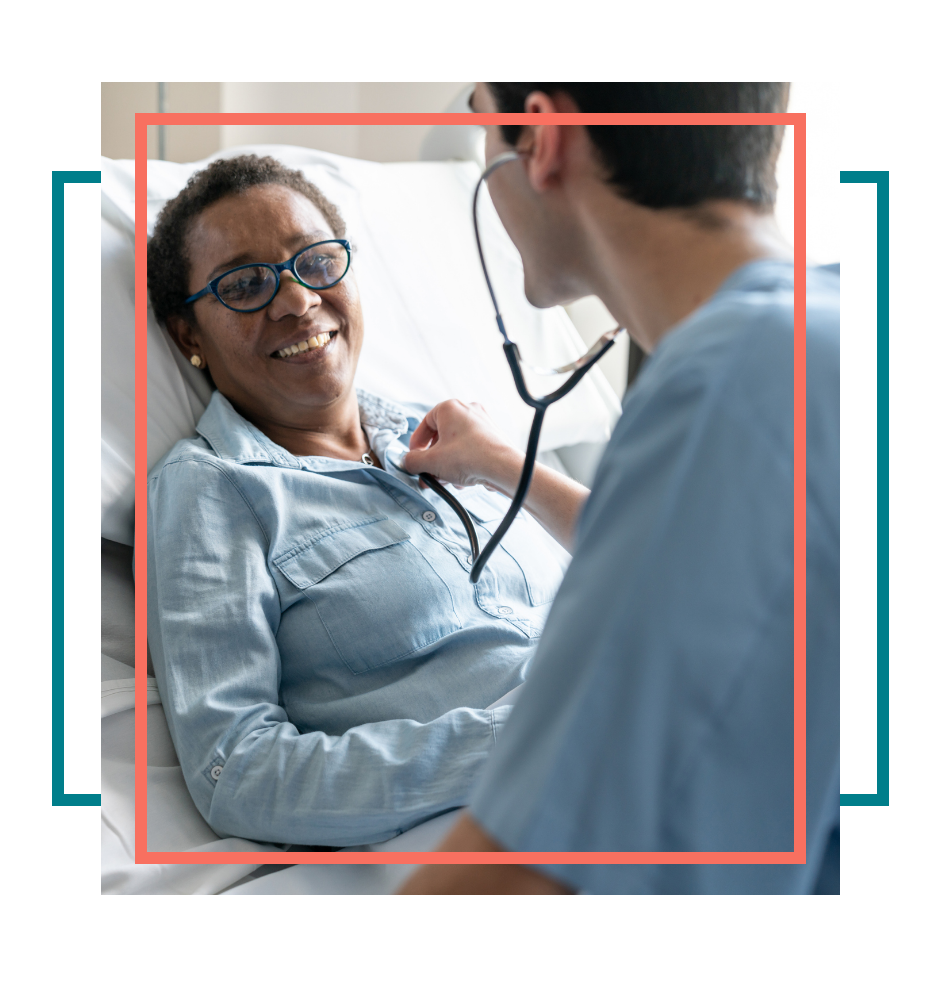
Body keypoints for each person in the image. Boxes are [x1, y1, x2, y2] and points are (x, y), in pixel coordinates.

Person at [399, 83, 840, 893]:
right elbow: (725, 568)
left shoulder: (735, 382)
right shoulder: (826, 332)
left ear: (540, 136)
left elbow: (519, 882)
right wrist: (504, 462)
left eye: (478, 116)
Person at [145, 154, 582, 848]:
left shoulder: (452, 431)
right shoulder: (213, 488)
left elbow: (647, 564)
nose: (295, 301)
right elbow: (238, 769)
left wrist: (507, 464)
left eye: (315, 262)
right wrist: (535, 736)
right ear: (188, 335)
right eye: (247, 283)